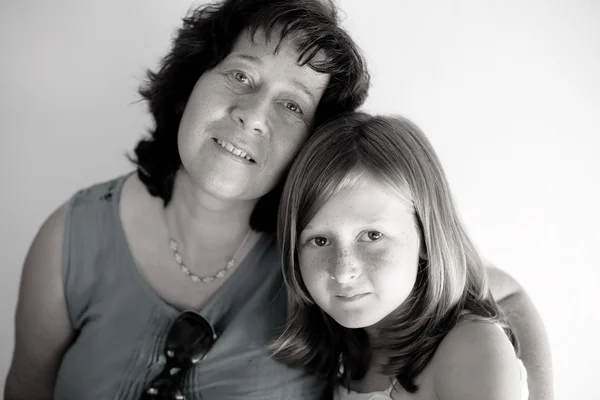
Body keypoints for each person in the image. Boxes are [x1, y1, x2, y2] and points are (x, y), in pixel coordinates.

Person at [4, 0, 551, 399]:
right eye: (241, 74)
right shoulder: (70, 238)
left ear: (312, 139)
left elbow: (503, 297)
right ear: (192, 80)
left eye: (293, 106)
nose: (255, 114)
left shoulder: (322, 256)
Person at [273, 112, 530, 399]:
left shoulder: (471, 348)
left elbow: (510, 290)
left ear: (426, 237)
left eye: (372, 236)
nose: (343, 271)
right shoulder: (349, 348)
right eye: (319, 240)